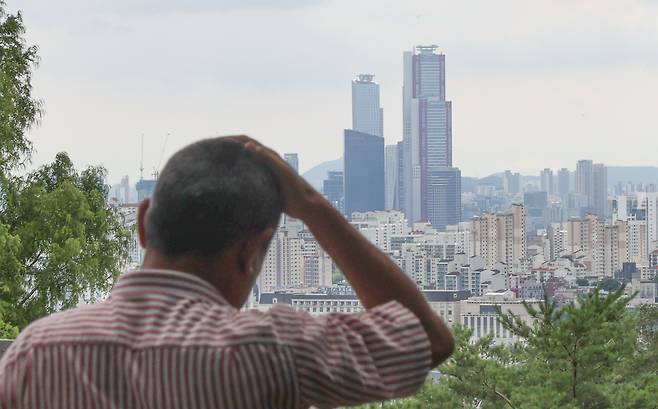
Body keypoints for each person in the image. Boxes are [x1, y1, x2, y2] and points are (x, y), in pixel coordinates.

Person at [0, 136, 454, 408]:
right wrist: (314, 209)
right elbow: (429, 339)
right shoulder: (273, 348)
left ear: (142, 223)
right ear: (252, 253)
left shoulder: (35, 353)